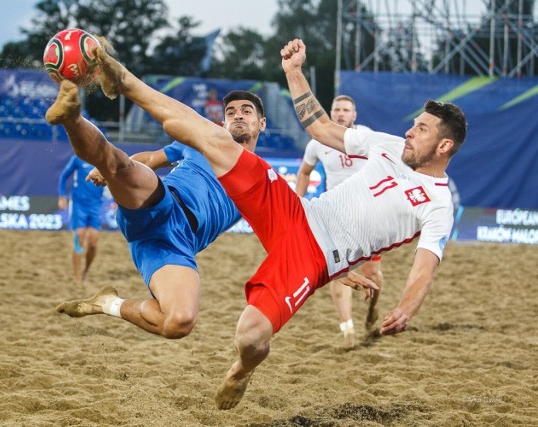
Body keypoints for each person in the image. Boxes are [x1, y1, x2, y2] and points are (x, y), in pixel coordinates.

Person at [84, 37, 465, 409]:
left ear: (444, 146)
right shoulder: (387, 144)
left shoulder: (438, 204)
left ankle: (241, 371)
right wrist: (294, 72)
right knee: (215, 140)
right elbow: (320, 128)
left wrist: (407, 308)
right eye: (414, 124)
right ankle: (123, 80)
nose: (410, 131)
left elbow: (425, 266)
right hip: (297, 211)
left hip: (315, 257)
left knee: (250, 337)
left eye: (422, 129)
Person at [49, 77, 377, 339]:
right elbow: (149, 160)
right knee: (115, 161)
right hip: (162, 204)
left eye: (246, 111)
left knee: (179, 322)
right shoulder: (202, 142)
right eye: (231, 111)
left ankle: (108, 303)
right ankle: (71, 115)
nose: (237, 115)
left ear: (262, 124)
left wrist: (339, 269)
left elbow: (295, 236)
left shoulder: (264, 179)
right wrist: (112, 171)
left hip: (173, 247)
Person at [295, 95, 382, 349]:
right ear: (331, 113)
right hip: (335, 215)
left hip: (368, 216)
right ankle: (348, 330)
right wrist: (297, 204)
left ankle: (372, 309)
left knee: (373, 273)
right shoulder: (318, 142)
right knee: (338, 271)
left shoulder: (368, 137)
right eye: (337, 109)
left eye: (346, 110)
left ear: (354, 115)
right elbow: (303, 172)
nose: (341, 113)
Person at [58, 154, 106, 284]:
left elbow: (112, 179)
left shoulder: (102, 157)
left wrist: (116, 200)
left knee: (93, 243)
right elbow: (63, 176)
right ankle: (77, 277)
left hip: (96, 205)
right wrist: (62, 196)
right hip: (79, 204)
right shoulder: (78, 158)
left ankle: (86, 270)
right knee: (79, 238)